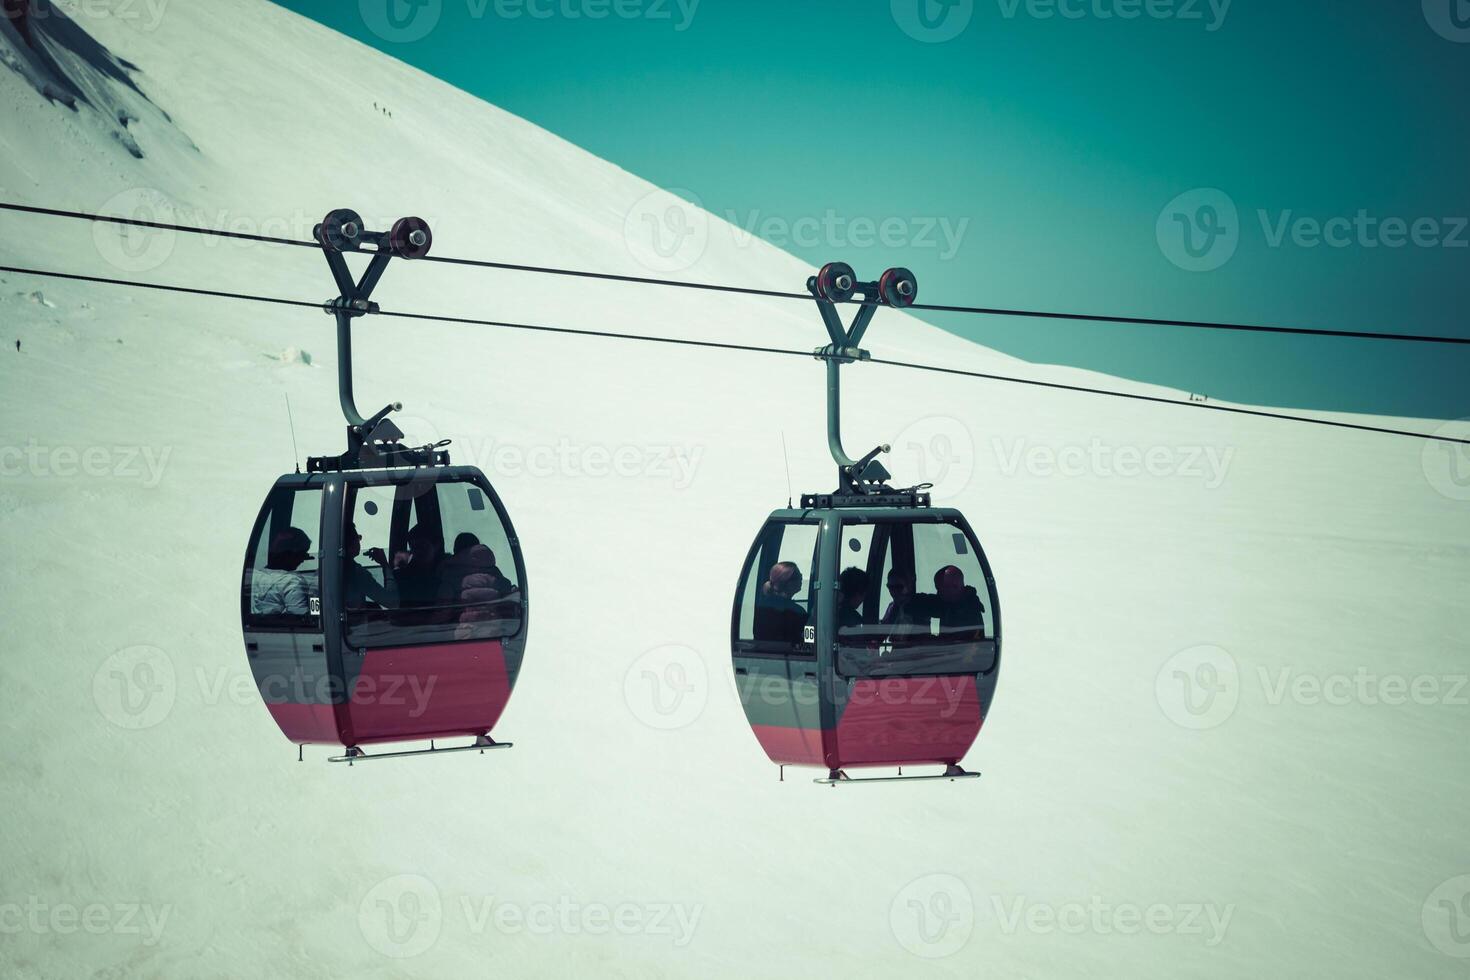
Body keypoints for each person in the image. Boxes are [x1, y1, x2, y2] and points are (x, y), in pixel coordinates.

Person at [251, 527, 313, 616]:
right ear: (293, 553)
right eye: (302, 553)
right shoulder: (291, 582)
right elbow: (300, 618)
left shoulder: (255, 576)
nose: (302, 559)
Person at [392, 524, 446, 615]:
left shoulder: (448, 571)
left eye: (422, 546)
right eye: (413, 547)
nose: (417, 551)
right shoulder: (404, 577)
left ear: (437, 545)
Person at [753, 561, 808, 644]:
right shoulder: (796, 611)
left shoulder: (762, 606)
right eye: (798, 576)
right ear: (788, 583)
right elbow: (806, 640)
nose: (801, 577)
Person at [343, 522, 392, 609]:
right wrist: (385, 564)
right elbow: (391, 601)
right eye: (358, 537)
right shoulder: (357, 573)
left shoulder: (322, 573)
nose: (359, 540)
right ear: (351, 543)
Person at [930, 565, 987, 641]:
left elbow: (954, 643)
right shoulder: (952, 603)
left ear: (955, 586)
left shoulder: (968, 613)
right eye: (937, 588)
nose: (938, 593)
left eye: (940, 588)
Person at [836, 566, 869, 631]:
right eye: (865, 593)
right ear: (858, 594)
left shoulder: (828, 612)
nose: (864, 599)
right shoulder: (854, 621)